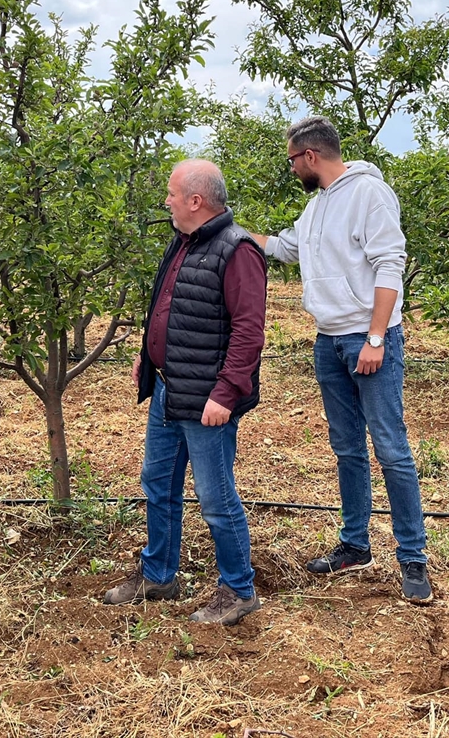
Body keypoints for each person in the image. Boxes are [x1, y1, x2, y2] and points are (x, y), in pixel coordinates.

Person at [250, 116, 432, 604]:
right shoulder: (316, 207)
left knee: (390, 448)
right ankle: (355, 546)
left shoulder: (370, 194)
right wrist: (240, 236)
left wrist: (376, 337)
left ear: (310, 156)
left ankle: (413, 558)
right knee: (347, 447)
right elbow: (290, 248)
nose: (291, 170)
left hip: (368, 340)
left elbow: (390, 264)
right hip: (328, 340)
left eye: (292, 160)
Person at [102, 159, 267, 626]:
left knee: (215, 499)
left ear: (196, 200)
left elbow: (249, 333)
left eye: (173, 193)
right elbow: (168, 305)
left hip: (208, 400)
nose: (167, 200)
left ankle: (238, 590)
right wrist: (149, 356)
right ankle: (158, 575)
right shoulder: (183, 241)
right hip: (169, 391)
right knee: (158, 485)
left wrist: (226, 393)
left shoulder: (238, 251)